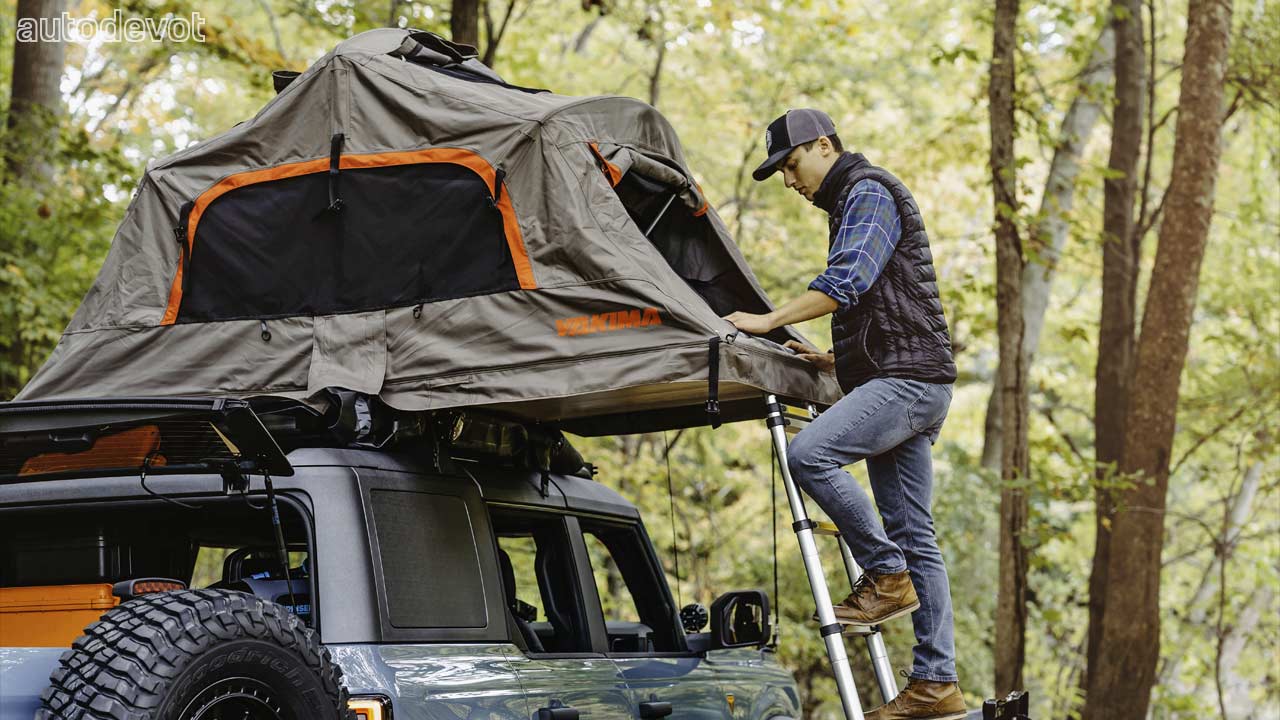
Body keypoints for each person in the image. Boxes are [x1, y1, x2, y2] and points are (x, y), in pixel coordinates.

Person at [723, 109, 965, 720]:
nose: (789, 181)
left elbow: (848, 280)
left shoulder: (867, 192)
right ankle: (936, 683)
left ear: (824, 145)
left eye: (791, 165)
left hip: (908, 383)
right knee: (917, 537)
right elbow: (890, 300)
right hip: (908, 376)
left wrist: (768, 321)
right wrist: (836, 358)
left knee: (809, 453)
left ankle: (886, 574)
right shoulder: (852, 202)